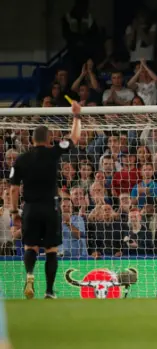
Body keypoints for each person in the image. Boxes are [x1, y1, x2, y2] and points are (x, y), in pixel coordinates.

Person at [9, 100, 82, 299]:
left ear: (32, 140)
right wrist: (76, 115)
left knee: (30, 246)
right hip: (51, 207)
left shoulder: (21, 159)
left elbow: (14, 189)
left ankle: (30, 275)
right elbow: (75, 138)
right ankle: (49, 291)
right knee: (51, 249)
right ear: (49, 139)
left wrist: (14, 212)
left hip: (31, 208)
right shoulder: (54, 151)